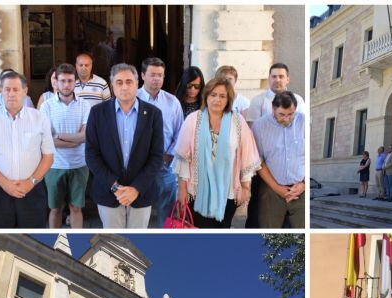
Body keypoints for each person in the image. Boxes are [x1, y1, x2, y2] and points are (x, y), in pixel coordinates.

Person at [85, 63, 164, 228]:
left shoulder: (153, 114)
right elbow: (92, 155)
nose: (124, 87)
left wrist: (136, 188)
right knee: (112, 242)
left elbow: (156, 157)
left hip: (141, 194)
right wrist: (115, 187)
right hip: (109, 193)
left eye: (129, 82)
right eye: (119, 82)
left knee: (137, 244)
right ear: (112, 85)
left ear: (137, 84)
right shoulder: (97, 113)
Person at [175, 77, 261, 228]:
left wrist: (246, 187)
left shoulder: (238, 121)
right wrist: (182, 190)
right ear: (206, 96)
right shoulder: (193, 120)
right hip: (196, 191)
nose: (217, 100)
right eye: (213, 95)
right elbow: (183, 158)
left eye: (222, 96)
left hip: (228, 192)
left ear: (229, 99)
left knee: (223, 229)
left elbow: (247, 155)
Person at [0, 71, 54, 228]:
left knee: (34, 235)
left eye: (16, 89)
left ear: (25, 91)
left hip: (32, 190)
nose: (11, 94)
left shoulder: (40, 118)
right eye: (7, 89)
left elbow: (48, 156)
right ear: (1, 91)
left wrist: (30, 183)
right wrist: (5, 184)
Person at [40, 63, 91, 229]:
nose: (66, 85)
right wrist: (75, 140)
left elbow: (85, 136)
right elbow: (46, 140)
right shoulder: (47, 106)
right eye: (62, 81)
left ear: (75, 81)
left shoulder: (84, 105)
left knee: (76, 208)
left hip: (79, 164)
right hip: (55, 165)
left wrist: (61, 136)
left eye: (70, 80)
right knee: (55, 209)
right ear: (56, 82)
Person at [137, 57, 185, 228]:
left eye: (160, 75)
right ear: (143, 75)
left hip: (165, 164)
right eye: (152, 75)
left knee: (166, 210)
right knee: (138, 210)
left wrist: (167, 156)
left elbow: (180, 133)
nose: (156, 79)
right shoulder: (132, 98)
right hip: (138, 166)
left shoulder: (172, 102)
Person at [251, 91, 304, 228]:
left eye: (290, 114)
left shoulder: (304, 122)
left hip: (301, 191)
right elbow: (258, 161)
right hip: (271, 191)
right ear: (273, 109)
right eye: (282, 114)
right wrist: (277, 188)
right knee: (269, 234)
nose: (286, 119)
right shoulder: (259, 126)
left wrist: (303, 184)